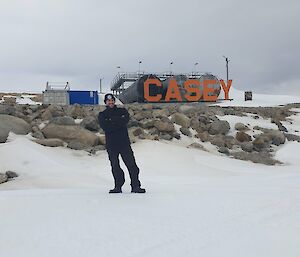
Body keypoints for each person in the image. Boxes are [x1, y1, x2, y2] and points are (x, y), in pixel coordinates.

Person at [98, 93, 146, 194]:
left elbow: (125, 120)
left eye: (112, 100)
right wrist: (117, 121)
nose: (110, 102)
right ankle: (118, 186)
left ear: (114, 101)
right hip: (111, 144)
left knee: (132, 165)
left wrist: (112, 121)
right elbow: (105, 127)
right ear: (105, 102)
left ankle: (135, 186)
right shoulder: (102, 115)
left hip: (124, 143)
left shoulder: (122, 111)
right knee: (115, 166)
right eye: (108, 101)